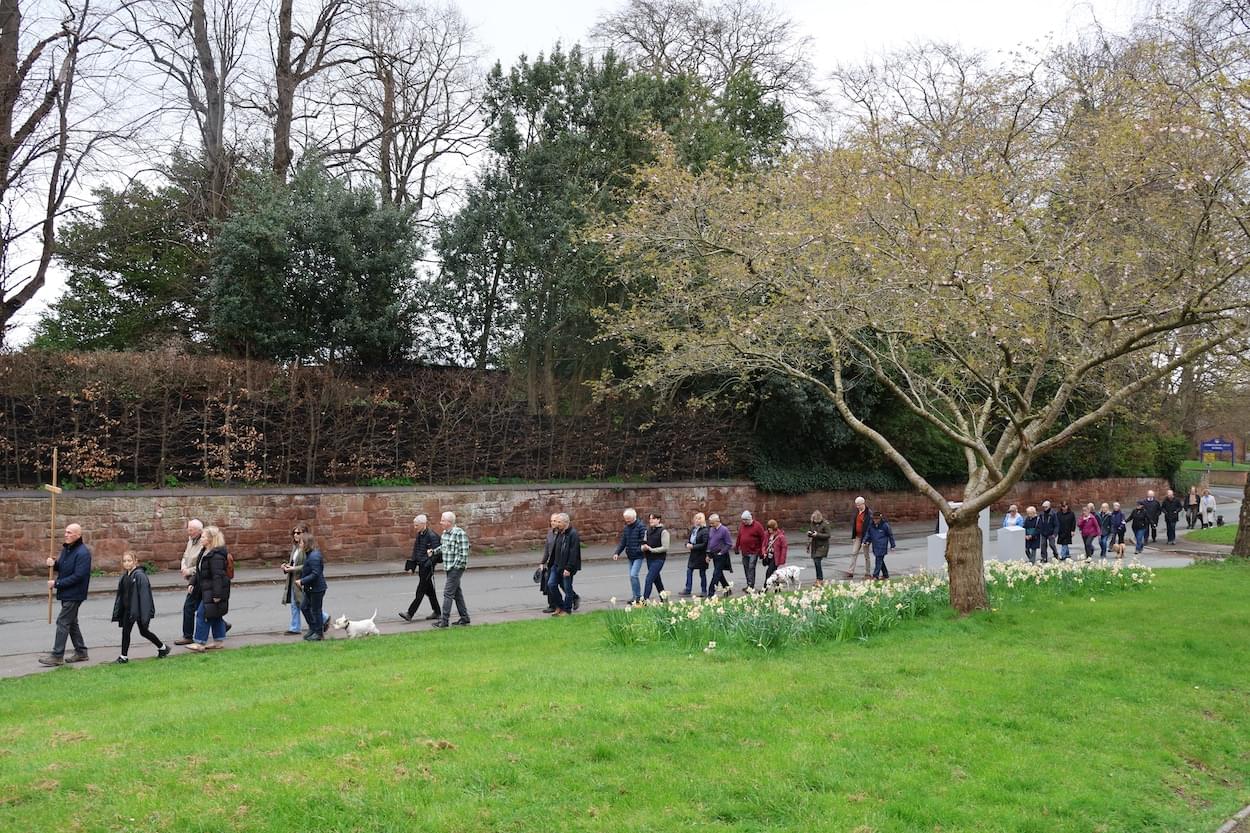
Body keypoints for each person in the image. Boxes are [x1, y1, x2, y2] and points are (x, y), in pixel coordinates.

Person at [38, 523, 92, 667]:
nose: (66, 535)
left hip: (75, 594)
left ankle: (57, 656)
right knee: (72, 623)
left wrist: (56, 583)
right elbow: (63, 566)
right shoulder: (67, 549)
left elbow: (79, 576)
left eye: (69, 532)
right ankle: (81, 652)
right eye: (66, 532)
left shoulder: (83, 553)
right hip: (67, 593)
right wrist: (54, 564)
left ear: (78, 535)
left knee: (62, 622)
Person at [110, 551, 169, 663]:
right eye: (124, 561)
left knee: (144, 632)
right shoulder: (125, 576)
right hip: (128, 610)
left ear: (135, 561)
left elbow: (145, 596)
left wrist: (145, 615)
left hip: (138, 610)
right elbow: (122, 595)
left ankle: (163, 648)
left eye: (129, 560)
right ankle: (124, 656)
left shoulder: (140, 576)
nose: (127, 563)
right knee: (126, 632)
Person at [186, 525, 230, 652]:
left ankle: (199, 643)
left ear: (211, 539)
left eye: (204, 537)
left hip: (213, 590)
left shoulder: (216, 556)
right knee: (215, 615)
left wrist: (217, 595)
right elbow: (199, 570)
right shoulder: (204, 552)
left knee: (202, 614)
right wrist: (192, 583)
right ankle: (219, 641)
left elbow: (218, 576)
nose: (201, 539)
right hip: (206, 589)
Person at [430, 511, 471, 628]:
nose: (440, 522)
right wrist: (433, 551)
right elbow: (444, 547)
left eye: (442, 520)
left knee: (448, 593)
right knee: (457, 593)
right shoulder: (445, 534)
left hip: (455, 568)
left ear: (449, 522)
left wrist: (456, 567)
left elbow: (464, 553)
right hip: (448, 567)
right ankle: (465, 618)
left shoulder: (459, 533)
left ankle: (444, 621)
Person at [399, 514, 442, 623]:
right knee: (430, 591)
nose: (415, 527)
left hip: (427, 568)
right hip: (421, 566)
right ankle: (437, 612)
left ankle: (410, 613)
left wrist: (428, 564)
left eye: (416, 525)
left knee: (420, 591)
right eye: (415, 525)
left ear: (423, 524)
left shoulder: (432, 536)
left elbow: (436, 554)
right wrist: (412, 565)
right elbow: (416, 550)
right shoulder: (420, 534)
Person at [293, 530, 327, 641]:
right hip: (310, 588)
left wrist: (302, 581)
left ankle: (319, 633)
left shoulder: (314, 556)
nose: (300, 544)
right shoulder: (309, 554)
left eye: (301, 542)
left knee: (316, 610)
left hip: (317, 589)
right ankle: (313, 628)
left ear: (306, 543)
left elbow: (315, 574)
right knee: (304, 607)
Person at [175, 519, 205, 645]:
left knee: (189, 607)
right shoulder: (191, 540)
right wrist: (183, 567)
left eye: (191, 530)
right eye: (188, 529)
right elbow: (185, 556)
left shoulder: (204, 543)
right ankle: (222, 625)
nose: (189, 531)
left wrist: (189, 571)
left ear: (199, 531)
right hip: (192, 577)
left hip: (198, 579)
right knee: (204, 606)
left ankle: (187, 636)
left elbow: (202, 565)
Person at [548, 513, 582, 616]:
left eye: (559, 522)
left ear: (566, 523)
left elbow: (573, 553)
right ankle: (560, 606)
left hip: (567, 566)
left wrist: (568, 568)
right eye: (556, 521)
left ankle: (567, 610)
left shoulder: (573, 534)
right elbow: (554, 549)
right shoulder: (559, 532)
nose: (557, 524)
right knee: (551, 584)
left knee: (567, 588)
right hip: (556, 565)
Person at [611, 508, 647, 604]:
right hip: (630, 555)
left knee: (633, 575)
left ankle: (638, 597)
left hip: (638, 555)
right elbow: (623, 542)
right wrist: (617, 553)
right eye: (626, 520)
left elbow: (644, 542)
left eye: (629, 520)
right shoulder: (626, 528)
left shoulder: (641, 527)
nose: (627, 522)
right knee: (631, 577)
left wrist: (637, 550)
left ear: (634, 517)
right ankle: (634, 596)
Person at [280, 523, 311, 634]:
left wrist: (293, 568)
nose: (295, 535)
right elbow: (293, 563)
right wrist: (286, 566)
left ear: (304, 534)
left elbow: (307, 565)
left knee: (304, 604)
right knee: (295, 604)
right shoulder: (295, 547)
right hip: (293, 580)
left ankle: (323, 618)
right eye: (294, 533)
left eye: (298, 533)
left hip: (303, 580)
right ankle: (295, 628)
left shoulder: (307, 548)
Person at [734, 510, 766, 591]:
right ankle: (748, 584)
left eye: (745, 520)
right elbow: (739, 537)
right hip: (744, 551)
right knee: (746, 568)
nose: (743, 522)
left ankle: (751, 586)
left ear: (749, 519)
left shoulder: (757, 526)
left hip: (754, 551)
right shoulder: (742, 526)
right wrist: (736, 547)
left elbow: (763, 538)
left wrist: (762, 551)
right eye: (743, 520)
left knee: (751, 568)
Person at [641, 513, 670, 601]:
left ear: (658, 520)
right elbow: (644, 543)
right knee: (657, 580)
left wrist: (651, 549)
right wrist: (643, 548)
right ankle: (664, 599)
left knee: (649, 579)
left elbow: (665, 547)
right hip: (649, 558)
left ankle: (645, 601)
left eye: (653, 519)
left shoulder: (663, 532)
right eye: (650, 519)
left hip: (659, 559)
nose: (651, 520)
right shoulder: (647, 531)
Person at [705, 513, 734, 598]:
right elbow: (710, 542)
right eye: (710, 523)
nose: (711, 525)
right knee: (719, 574)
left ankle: (711, 593)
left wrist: (721, 552)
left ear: (718, 521)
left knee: (716, 574)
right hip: (713, 554)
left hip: (721, 555)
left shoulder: (724, 530)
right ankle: (728, 589)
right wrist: (708, 555)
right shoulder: (711, 529)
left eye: (713, 523)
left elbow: (729, 544)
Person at [681, 512, 709, 597]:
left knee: (702, 573)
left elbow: (704, 544)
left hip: (701, 555)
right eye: (696, 518)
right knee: (689, 570)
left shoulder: (705, 530)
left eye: (699, 519)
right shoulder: (693, 529)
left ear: (702, 520)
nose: (697, 520)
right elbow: (689, 539)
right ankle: (688, 589)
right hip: (693, 555)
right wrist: (687, 544)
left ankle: (704, 590)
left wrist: (693, 546)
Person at [864, 511, 896, 579]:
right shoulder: (871, 525)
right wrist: (866, 541)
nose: (875, 520)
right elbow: (868, 533)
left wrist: (892, 545)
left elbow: (890, 535)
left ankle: (875, 575)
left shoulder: (885, 525)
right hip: (875, 545)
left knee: (878, 560)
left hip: (882, 546)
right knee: (880, 561)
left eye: (877, 519)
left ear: (880, 519)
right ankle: (885, 574)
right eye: (874, 519)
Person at [847, 497, 872, 579]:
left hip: (865, 538)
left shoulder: (869, 514)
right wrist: (853, 536)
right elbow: (854, 525)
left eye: (859, 505)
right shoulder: (857, 512)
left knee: (866, 555)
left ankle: (867, 573)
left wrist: (868, 540)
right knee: (854, 553)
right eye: (856, 505)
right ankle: (850, 571)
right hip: (858, 536)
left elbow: (870, 528)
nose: (857, 507)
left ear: (863, 504)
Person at [806, 510, 831, 586]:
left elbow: (828, 535)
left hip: (822, 545)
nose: (815, 521)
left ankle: (820, 579)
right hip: (814, 545)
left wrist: (817, 534)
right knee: (816, 562)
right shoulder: (812, 523)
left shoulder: (825, 524)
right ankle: (818, 579)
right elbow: (811, 530)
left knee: (817, 561)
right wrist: (809, 533)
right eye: (813, 520)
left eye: (816, 520)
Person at [763, 519, 788, 585]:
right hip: (769, 556)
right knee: (775, 573)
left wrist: (782, 561)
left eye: (770, 528)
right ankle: (778, 587)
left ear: (774, 528)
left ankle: (765, 587)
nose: (768, 529)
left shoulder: (781, 536)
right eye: (768, 527)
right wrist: (764, 552)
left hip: (776, 558)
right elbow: (764, 545)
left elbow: (784, 548)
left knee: (769, 572)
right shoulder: (767, 535)